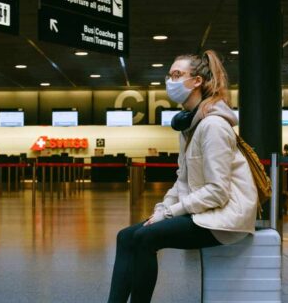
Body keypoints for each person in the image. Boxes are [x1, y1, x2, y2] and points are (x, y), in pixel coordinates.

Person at [107, 50, 258, 303]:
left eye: (177, 75)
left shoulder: (213, 126)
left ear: (197, 81)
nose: (170, 81)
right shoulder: (190, 127)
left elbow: (218, 191)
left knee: (145, 238)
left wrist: (169, 214)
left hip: (224, 219)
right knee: (126, 236)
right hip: (203, 213)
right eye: (169, 75)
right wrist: (162, 208)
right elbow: (183, 180)